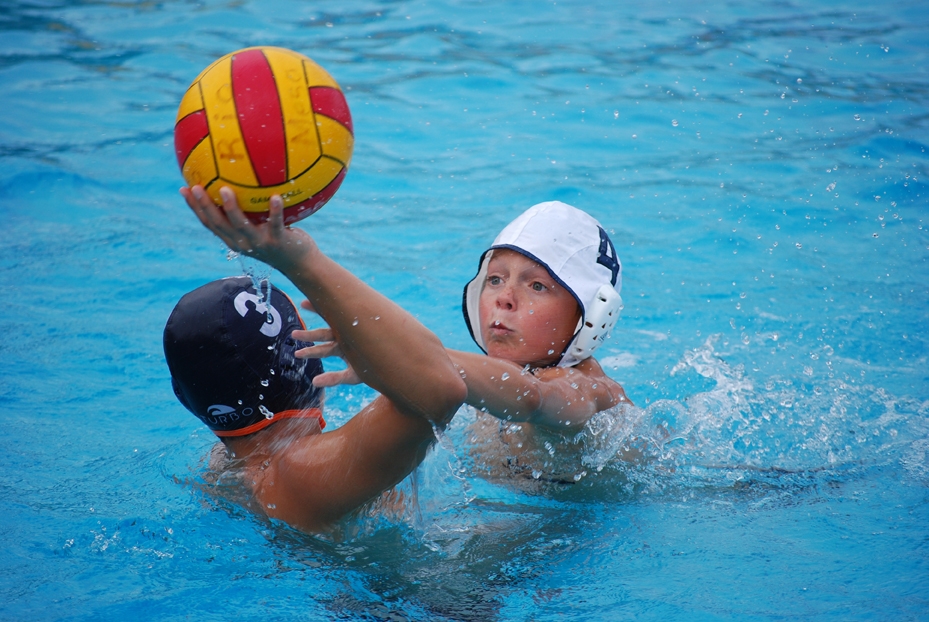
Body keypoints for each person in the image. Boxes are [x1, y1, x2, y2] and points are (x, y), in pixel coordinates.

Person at [175, 186, 629, 531]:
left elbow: (535, 398)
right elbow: (433, 389)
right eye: (494, 279)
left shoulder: (589, 388)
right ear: (307, 368)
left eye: (536, 286)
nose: (505, 298)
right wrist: (382, 353)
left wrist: (381, 355)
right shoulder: (308, 474)